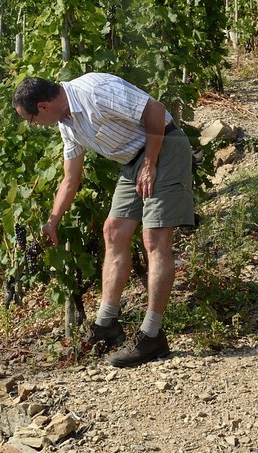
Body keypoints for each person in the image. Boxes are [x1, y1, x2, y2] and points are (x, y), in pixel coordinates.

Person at [13, 73, 195, 367]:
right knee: (113, 231)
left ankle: (152, 335)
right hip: (133, 162)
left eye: (31, 120)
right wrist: (52, 222)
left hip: (164, 146)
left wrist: (150, 162)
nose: (34, 126)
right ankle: (106, 325)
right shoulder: (67, 124)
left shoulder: (94, 90)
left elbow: (156, 111)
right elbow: (71, 179)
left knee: (154, 238)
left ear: (44, 106)